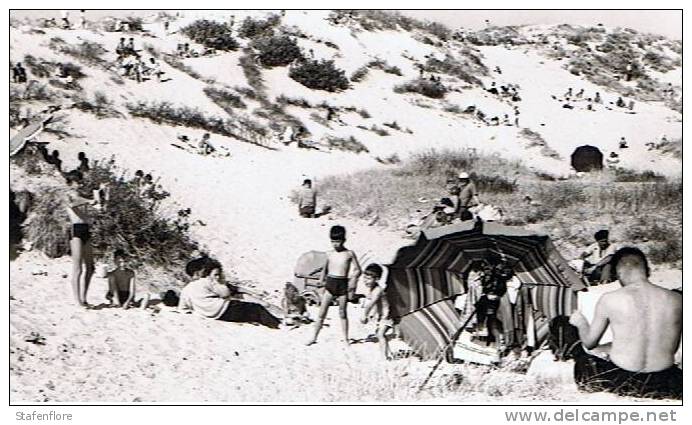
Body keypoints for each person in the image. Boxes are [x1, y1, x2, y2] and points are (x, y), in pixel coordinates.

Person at [568, 247, 682, 399]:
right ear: (647, 270)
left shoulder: (609, 299)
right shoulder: (677, 299)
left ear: (619, 272)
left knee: (583, 359)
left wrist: (581, 322)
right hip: (666, 381)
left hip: (622, 380)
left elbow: (589, 343)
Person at [179, 260, 279, 328]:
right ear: (197, 273)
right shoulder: (205, 281)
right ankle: (278, 325)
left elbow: (183, 308)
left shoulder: (185, 290)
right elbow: (225, 292)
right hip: (222, 308)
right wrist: (222, 285)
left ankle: (270, 319)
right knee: (256, 308)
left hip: (211, 314)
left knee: (249, 311)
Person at [306, 225, 362, 346]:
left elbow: (358, 270)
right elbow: (324, 270)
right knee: (321, 313)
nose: (335, 244)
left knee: (342, 313)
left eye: (337, 241)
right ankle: (314, 337)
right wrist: (320, 281)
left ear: (343, 240)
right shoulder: (329, 254)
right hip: (330, 284)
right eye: (332, 241)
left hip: (342, 285)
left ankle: (346, 339)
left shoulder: (349, 254)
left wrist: (353, 280)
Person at [64, 190, 95, 308]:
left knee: (90, 267)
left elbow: (99, 207)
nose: (80, 184)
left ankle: (83, 298)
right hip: (76, 229)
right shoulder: (68, 195)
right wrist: (89, 200)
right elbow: (72, 204)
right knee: (78, 268)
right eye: (78, 181)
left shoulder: (83, 196)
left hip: (86, 229)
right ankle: (78, 301)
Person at [360, 264, 396, 360]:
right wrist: (373, 315)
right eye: (364, 278)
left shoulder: (377, 290)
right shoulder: (372, 289)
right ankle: (389, 354)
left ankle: (384, 357)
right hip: (381, 316)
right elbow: (377, 304)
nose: (365, 280)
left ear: (376, 279)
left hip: (387, 316)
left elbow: (372, 303)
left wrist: (365, 314)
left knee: (380, 334)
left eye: (368, 278)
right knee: (380, 334)